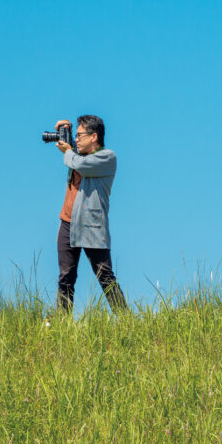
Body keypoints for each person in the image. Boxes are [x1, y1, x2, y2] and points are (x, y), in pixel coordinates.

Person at [53, 115, 128, 315]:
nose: (76, 140)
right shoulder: (77, 154)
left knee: (105, 276)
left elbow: (79, 164)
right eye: (75, 136)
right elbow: (74, 155)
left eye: (80, 135)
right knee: (65, 277)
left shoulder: (107, 157)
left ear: (94, 136)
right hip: (67, 223)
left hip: (91, 224)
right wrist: (65, 130)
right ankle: (62, 324)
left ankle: (126, 320)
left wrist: (68, 151)